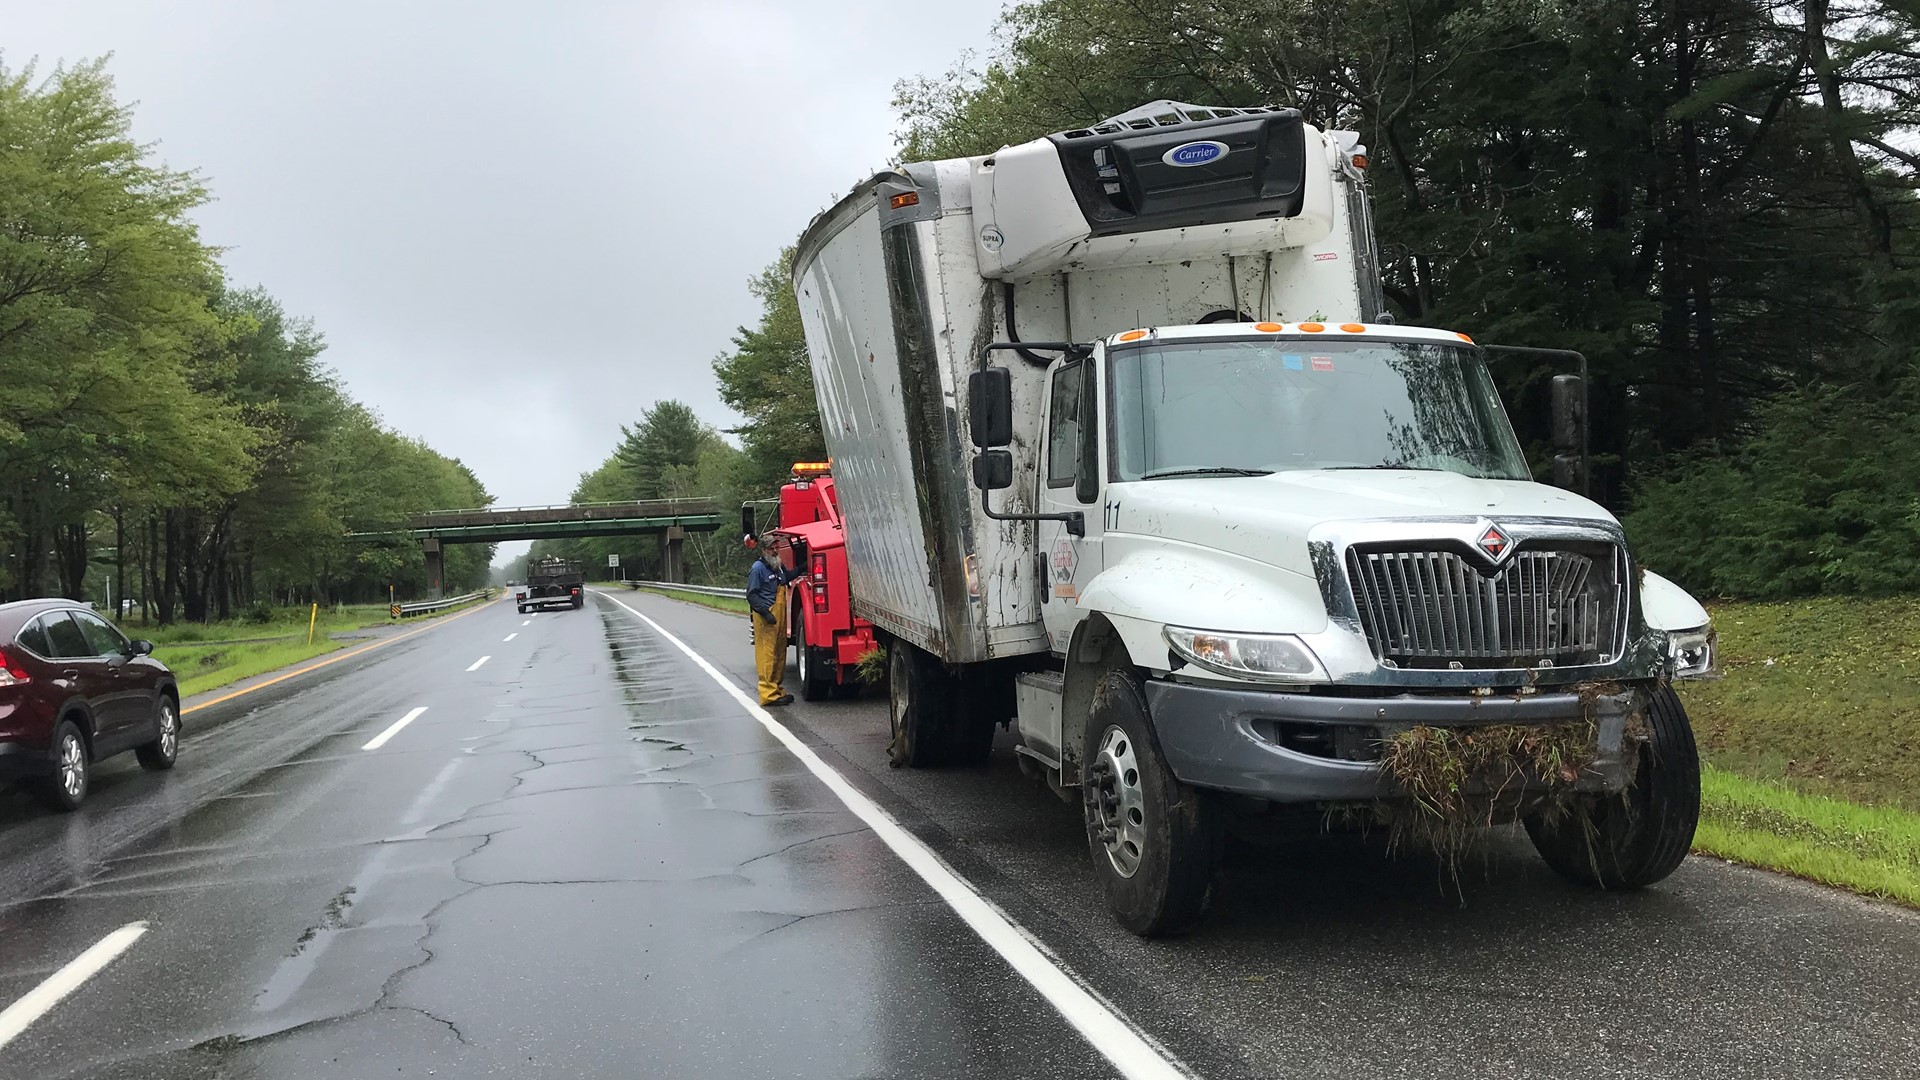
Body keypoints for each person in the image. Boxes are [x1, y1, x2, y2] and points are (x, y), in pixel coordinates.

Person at [747, 533, 803, 706]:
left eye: (776, 547)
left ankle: (776, 689)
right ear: (764, 550)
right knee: (767, 654)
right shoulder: (757, 569)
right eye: (771, 548)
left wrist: (803, 567)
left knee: (779, 652)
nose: (775, 551)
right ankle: (767, 694)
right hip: (766, 616)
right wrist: (766, 613)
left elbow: (787, 577)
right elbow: (751, 594)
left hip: (779, 615)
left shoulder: (777, 566)